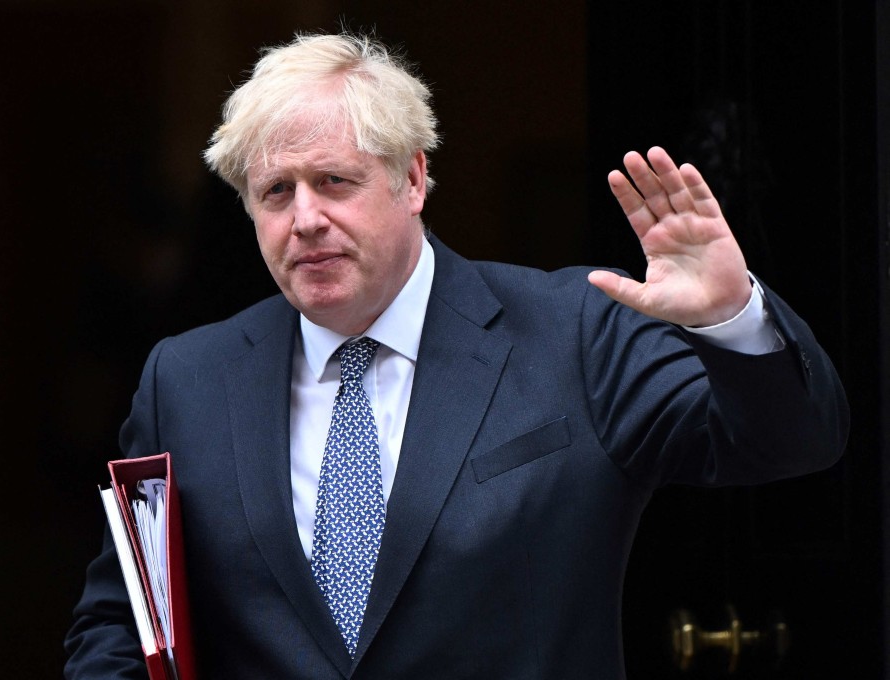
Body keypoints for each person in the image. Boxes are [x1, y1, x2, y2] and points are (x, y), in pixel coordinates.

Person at [64, 32, 848, 679]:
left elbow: (791, 443)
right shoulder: (187, 379)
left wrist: (731, 317)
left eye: (334, 181)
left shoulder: (575, 331)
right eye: (276, 193)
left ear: (412, 180)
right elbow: (125, 624)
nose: (304, 218)